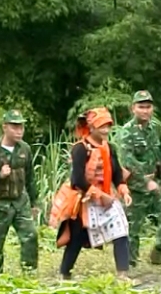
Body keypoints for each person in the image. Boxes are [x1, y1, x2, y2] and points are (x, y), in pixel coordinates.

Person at [56, 107, 134, 280]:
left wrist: (123, 190)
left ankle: (122, 274)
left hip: (107, 197)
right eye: (102, 126)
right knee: (76, 236)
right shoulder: (80, 149)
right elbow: (77, 179)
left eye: (108, 126)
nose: (106, 130)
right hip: (84, 198)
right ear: (92, 127)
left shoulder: (109, 148)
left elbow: (117, 174)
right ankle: (64, 273)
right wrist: (99, 195)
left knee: (121, 230)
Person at [114, 90, 161, 268]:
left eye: (148, 107)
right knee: (132, 229)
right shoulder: (126, 132)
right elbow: (128, 161)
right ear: (133, 109)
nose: (145, 111)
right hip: (135, 187)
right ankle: (130, 265)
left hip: (155, 184)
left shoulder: (156, 127)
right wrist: (145, 180)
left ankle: (158, 251)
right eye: (141, 107)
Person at [0, 109, 39, 278]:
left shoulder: (24, 149)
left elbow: (30, 177)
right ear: (5, 127)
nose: (19, 131)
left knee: (30, 236)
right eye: (14, 126)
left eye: (21, 127)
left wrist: (34, 202)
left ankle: (29, 276)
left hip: (20, 202)